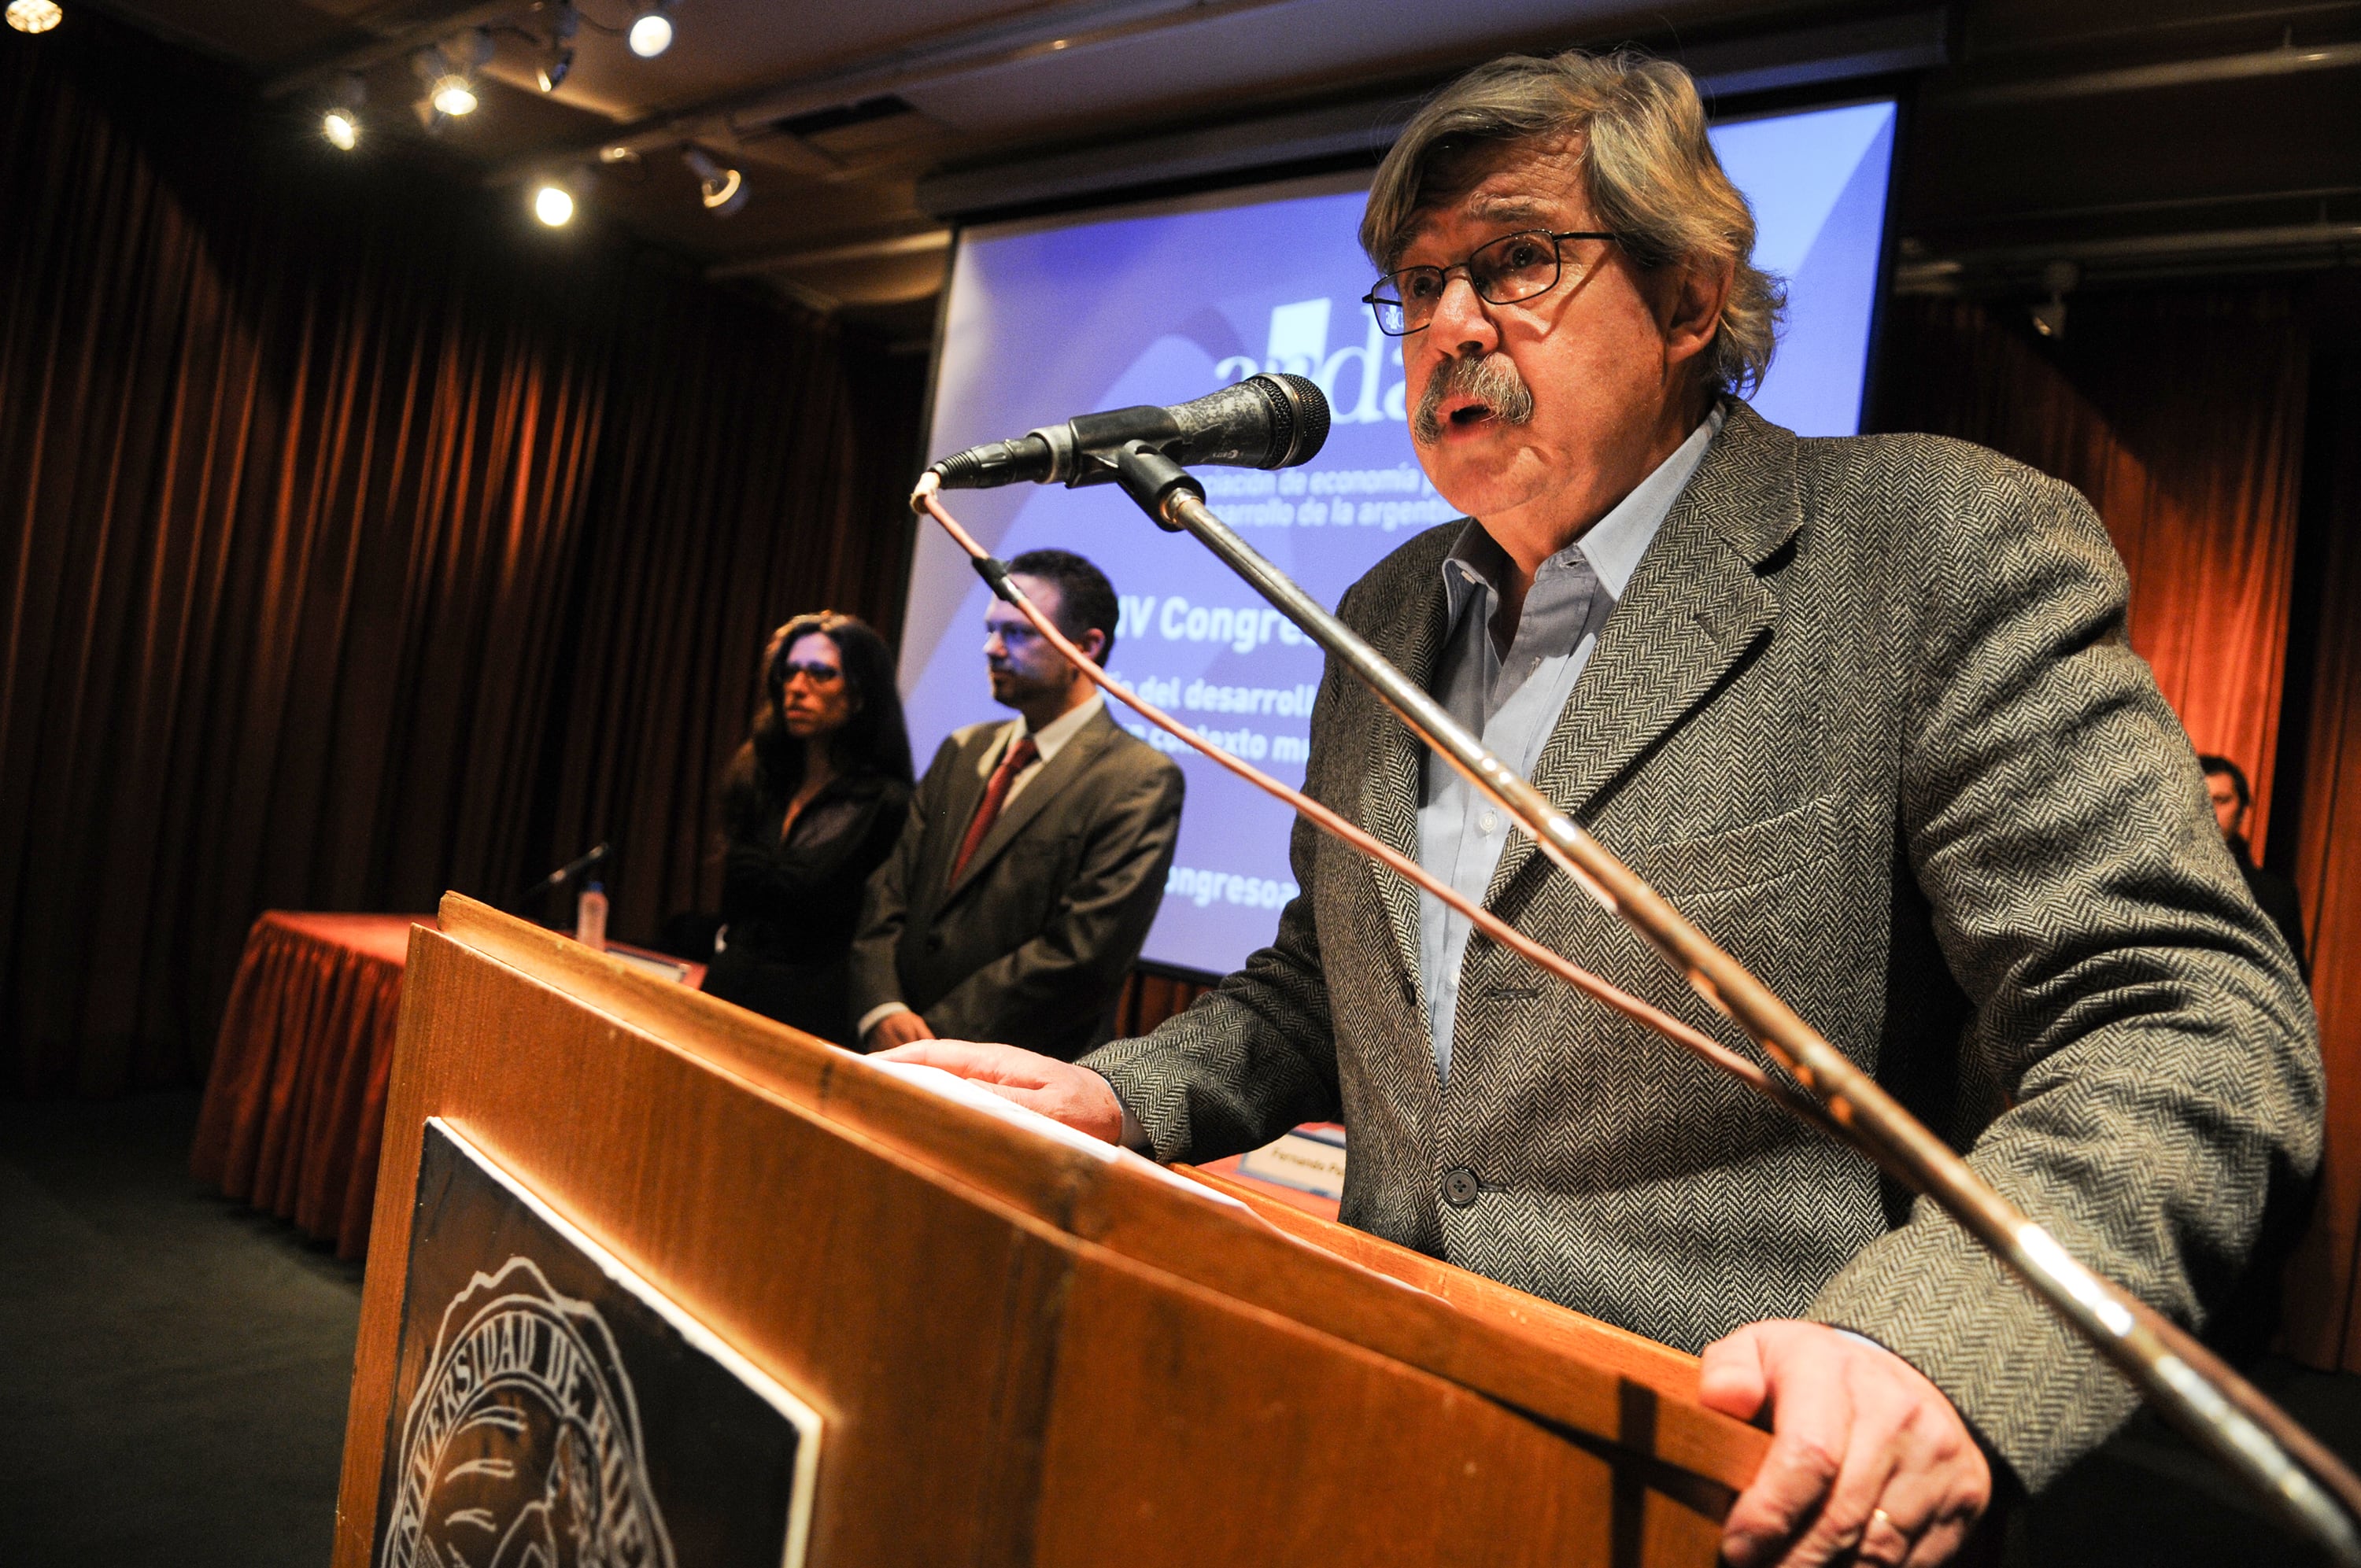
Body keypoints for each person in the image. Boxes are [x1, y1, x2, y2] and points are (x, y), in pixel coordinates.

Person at [880, 49, 2322, 1568]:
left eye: (1517, 261)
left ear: (1690, 301)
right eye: (1418, 284)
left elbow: (2182, 1019)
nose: (1449, 324)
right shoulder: (1382, 612)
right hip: (1379, 1417)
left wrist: (1935, 1347)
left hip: (1747, 1482)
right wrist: (1119, 1097)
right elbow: (1331, 982)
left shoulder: (1930, 549)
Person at [849, 549, 1184, 1061]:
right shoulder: (963, 749)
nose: (992, 648)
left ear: (1086, 646)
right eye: (991, 629)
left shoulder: (1139, 779)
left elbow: (1082, 953)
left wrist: (937, 1038)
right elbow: (888, 892)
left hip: (1017, 1071)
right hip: (892, 1045)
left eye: (1019, 632)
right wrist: (882, 1007)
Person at [700, 613, 914, 1044]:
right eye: (791, 671)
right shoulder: (760, 778)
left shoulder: (888, 804)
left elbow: (875, 933)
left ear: (860, 694)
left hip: (809, 1021)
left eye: (821, 673)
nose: (797, 687)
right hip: (722, 1000)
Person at [2200, 754, 2308, 981]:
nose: (2209, 810)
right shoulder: (2148, 875)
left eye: (2221, 800)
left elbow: (2292, 984)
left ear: (2241, 812)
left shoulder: (2274, 896)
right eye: (2199, 798)